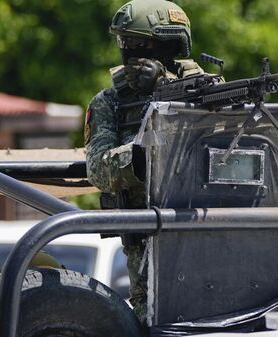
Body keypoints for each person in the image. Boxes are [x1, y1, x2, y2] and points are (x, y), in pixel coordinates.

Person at [85, 0, 205, 326]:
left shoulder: (208, 90)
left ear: (169, 45)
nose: (128, 53)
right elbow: (97, 169)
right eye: (125, 44)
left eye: (139, 45)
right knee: (154, 322)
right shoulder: (111, 101)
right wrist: (142, 155)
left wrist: (167, 90)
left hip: (209, 228)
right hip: (148, 240)